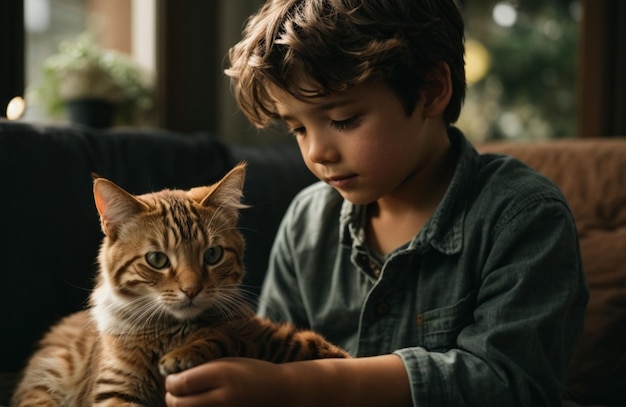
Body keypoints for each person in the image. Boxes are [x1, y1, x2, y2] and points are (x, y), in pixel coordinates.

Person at [165, 0, 588, 405]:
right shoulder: (306, 222)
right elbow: (267, 345)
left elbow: (510, 384)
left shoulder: (521, 216)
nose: (316, 152)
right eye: (297, 129)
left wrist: (298, 386)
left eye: (343, 119)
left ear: (430, 91)